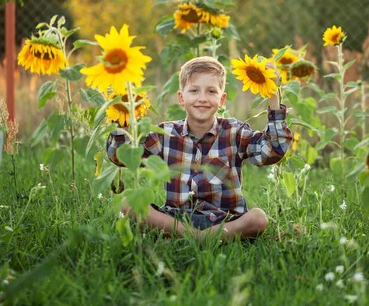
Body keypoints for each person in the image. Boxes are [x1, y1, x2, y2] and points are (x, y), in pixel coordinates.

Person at [106, 56, 293, 241]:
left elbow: (274, 149)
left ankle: (193, 237)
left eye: (211, 91)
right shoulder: (165, 134)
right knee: (129, 203)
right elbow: (121, 156)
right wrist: (120, 112)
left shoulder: (234, 132)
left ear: (222, 99)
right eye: (194, 90)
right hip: (176, 218)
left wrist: (273, 96)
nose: (202, 98)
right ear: (181, 97)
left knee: (258, 218)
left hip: (225, 220)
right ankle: (198, 237)